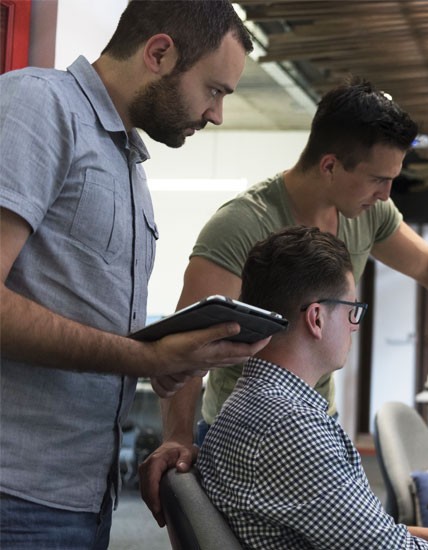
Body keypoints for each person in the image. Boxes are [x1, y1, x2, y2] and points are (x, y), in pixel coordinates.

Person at [139, 77, 428, 524]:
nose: (386, 194)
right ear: (330, 166)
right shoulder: (241, 225)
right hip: (255, 432)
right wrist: (177, 436)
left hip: (315, 422)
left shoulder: (368, 212)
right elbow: (189, 340)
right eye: (377, 179)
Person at [0, 1, 268, 547]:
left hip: (79, 494)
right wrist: (143, 358)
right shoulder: (37, 106)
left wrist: (166, 362)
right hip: (16, 494)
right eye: (215, 90)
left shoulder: (128, 165)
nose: (216, 114)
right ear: (160, 53)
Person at [197, 226, 428, 549]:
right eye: (351, 310)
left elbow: (360, 534)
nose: (354, 326)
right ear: (317, 318)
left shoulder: (251, 402)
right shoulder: (291, 426)